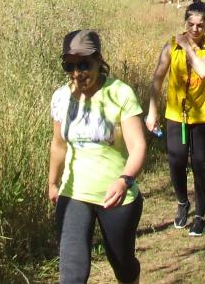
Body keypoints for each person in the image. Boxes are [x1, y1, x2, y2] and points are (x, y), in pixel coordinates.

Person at [48, 30, 146, 284]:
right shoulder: (61, 98)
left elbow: (138, 146)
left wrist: (124, 180)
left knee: (123, 264)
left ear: (99, 60)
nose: (77, 73)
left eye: (84, 65)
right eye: (69, 66)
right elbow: (58, 144)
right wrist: (52, 182)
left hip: (116, 195)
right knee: (72, 274)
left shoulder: (120, 93)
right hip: (73, 194)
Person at [145, 3, 205, 238]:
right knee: (176, 159)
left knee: (199, 163)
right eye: (190, 25)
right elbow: (157, 78)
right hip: (176, 113)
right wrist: (152, 111)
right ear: (184, 23)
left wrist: (188, 46)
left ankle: (199, 216)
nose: (195, 29)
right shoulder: (170, 46)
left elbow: (203, 71)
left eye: (200, 25)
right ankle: (182, 202)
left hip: (203, 114)